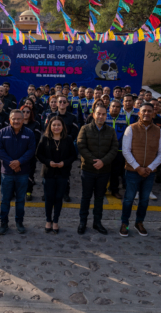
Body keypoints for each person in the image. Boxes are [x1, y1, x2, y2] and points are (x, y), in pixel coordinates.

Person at [119, 103, 161, 237]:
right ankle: (124, 223)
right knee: (128, 199)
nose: (146, 113)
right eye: (143, 111)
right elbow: (126, 151)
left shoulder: (159, 131)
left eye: (149, 111)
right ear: (139, 113)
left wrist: (150, 168)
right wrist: (138, 167)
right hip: (133, 171)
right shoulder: (131, 129)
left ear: (153, 113)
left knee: (144, 200)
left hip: (150, 173)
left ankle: (139, 222)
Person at [76, 105, 117, 235]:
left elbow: (114, 148)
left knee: (99, 198)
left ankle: (97, 222)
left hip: (104, 171)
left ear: (106, 115)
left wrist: (103, 162)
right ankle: (83, 222)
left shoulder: (111, 131)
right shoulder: (85, 129)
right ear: (94, 114)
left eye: (103, 114)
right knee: (86, 197)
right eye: (98, 113)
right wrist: (94, 161)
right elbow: (81, 146)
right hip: (88, 169)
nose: (101, 116)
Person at [0, 109, 36, 235]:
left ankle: (19, 222)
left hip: (22, 172)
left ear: (23, 120)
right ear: (10, 120)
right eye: (14, 118)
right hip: (7, 172)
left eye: (19, 119)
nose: (16, 121)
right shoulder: (2, 132)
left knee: (20, 200)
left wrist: (19, 162)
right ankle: (4, 223)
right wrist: (12, 163)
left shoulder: (29, 133)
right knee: (5, 199)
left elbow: (31, 151)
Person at [36, 116, 77, 234]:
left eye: (59, 125)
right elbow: (38, 154)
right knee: (49, 198)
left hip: (62, 173)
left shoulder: (68, 139)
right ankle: (48, 220)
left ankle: (55, 221)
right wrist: (49, 162)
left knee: (59, 198)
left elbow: (73, 156)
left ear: (63, 126)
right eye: (54, 125)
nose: (56, 127)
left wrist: (64, 163)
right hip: (48, 173)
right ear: (50, 126)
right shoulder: (45, 138)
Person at [107, 100, 134, 200]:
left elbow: (126, 134)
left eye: (117, 107)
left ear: (120, 109)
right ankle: (101, 189)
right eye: (113, 106)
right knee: (103, 170)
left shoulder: (124, 119)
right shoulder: (104, 117)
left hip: (119, 150)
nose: (115, 108)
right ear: (109, 107)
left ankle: (114, 190)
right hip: (105, 150)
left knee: (116, 171)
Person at [21, 103, 42, 201]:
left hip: (30, 153)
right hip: (17, 153)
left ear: (31, 113)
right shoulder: (16, 124)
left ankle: (28, 191)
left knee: (29, 174)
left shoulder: (35, 124)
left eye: (27, 112)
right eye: (23, 112)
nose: (25, 113)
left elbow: (36, 140)